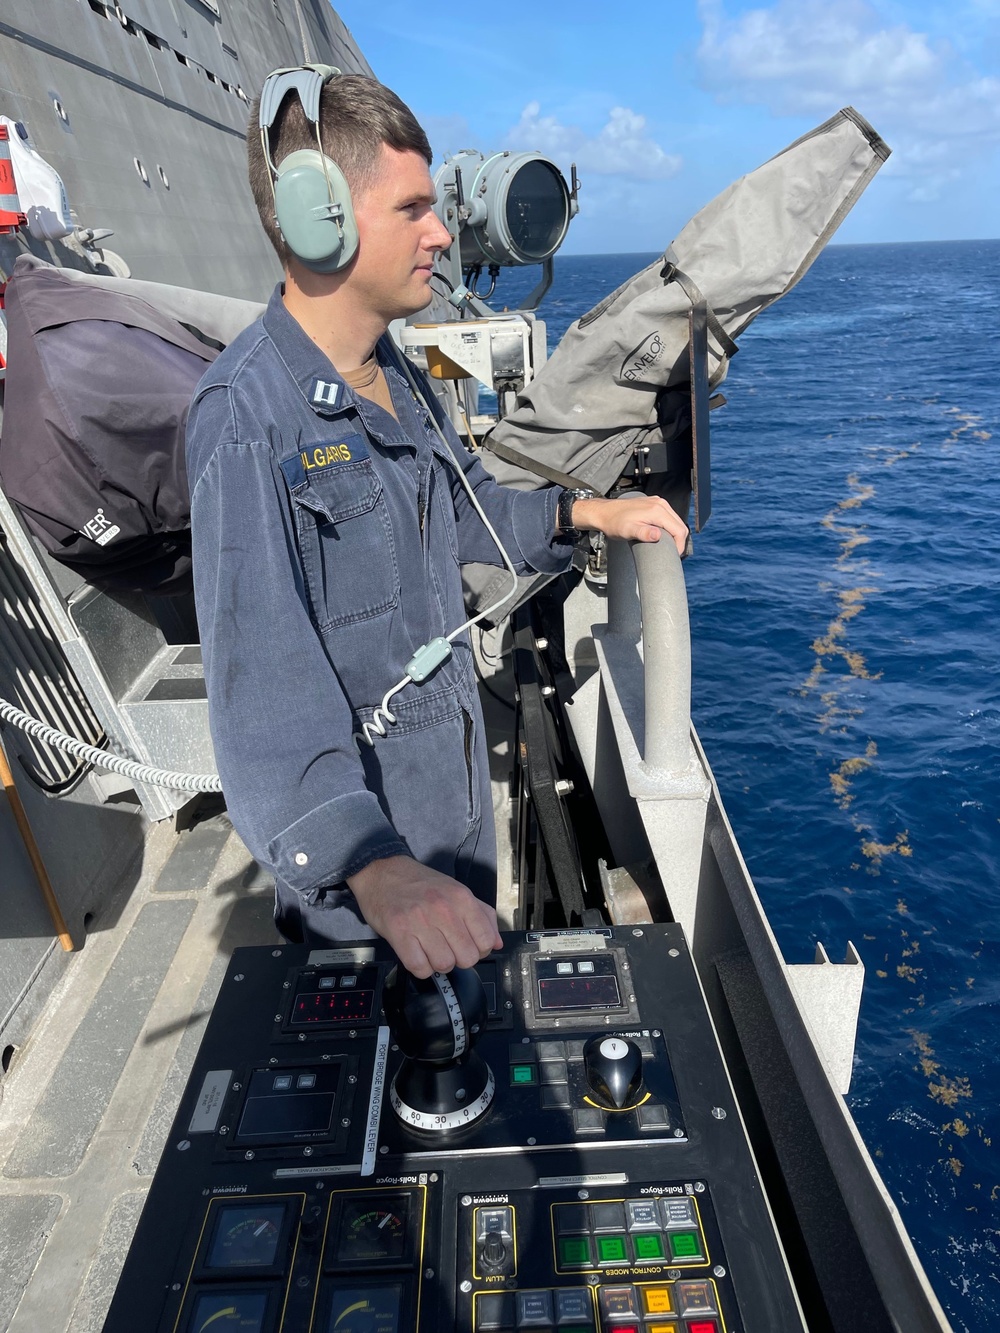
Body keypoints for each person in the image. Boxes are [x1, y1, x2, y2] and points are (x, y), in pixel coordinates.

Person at [186, 70, 688, 979]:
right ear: (318, 218)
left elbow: (462, 509)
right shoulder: (245, 418)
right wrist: (371, 867)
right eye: (413, 207)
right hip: (371, 904)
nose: (441, 232)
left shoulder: (392, 368)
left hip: (453, 835)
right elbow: (264, 695)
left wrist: (582, 512)